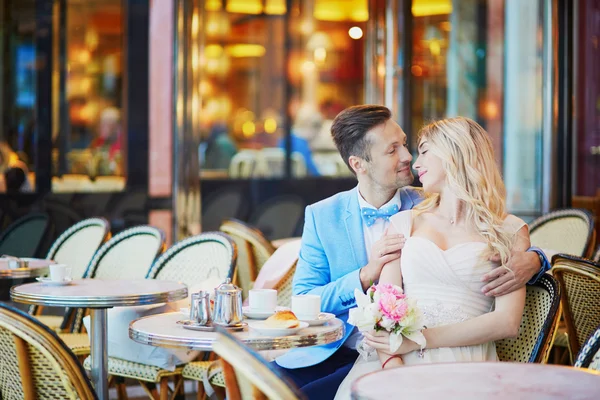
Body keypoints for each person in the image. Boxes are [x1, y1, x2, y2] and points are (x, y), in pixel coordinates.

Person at [272, 106, 549, 400]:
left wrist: (535, 260)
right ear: (359, 164)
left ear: (455, 155)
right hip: (343, 351)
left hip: (441, 355)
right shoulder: (325, 215)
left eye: (407, 145)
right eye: (393, 150)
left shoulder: (427, 200)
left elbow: (508, 250)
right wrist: (366, 275)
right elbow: (304, 300)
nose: (409, 159)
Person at [334, 116, 535, 399]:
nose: (415, 164)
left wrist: (418, 341)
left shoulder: (509, 230)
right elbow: (382, 311)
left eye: (425, 151)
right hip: (395, 361)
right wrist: (394, 365)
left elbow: (507, 322)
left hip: (466, 363)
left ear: (455, 152)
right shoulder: (404, 223)